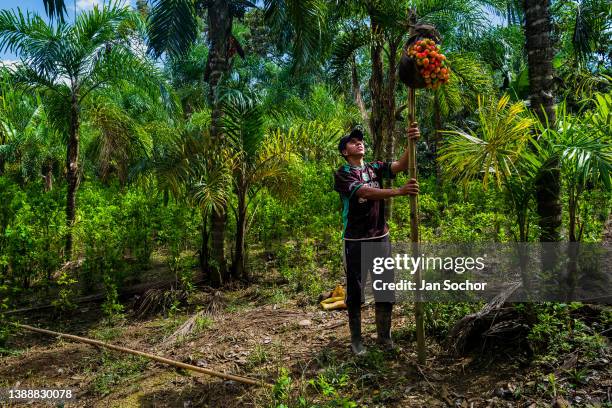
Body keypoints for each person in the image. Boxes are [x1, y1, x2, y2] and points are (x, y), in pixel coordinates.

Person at [334, 123, 420, 355]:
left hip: (381, 237)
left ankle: (384, 337)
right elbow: (364, 192)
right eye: (352, 141)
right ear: (345, 151)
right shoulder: (343, 173)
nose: (359, 143)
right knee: (356, 292)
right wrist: (398, 192)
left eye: (360, 140)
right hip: (355, 241)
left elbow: (401, 165)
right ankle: (356, 341)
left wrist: (410, 141)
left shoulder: (374, 168)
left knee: (384, 286)